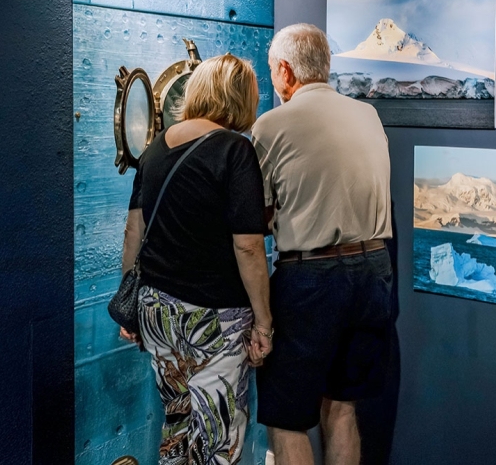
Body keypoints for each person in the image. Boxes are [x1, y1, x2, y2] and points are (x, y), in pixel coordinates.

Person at [119, 53, 273, 465]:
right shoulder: (235, 150)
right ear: (241, 98)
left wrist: (130, 308)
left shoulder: (154, 149)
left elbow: (133, 231)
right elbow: (248, 246)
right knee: (218, 440)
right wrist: (264, 322)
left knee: (177, 426)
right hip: (213, 319)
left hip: (156, 309)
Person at [251, 23, 394, 465]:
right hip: (374, 271)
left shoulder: (271, 124)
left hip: (311, 278)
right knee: (343, 406)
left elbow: (256, 216)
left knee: (287, 417)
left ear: (286, 72)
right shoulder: (367, 114)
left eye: (273, 69)